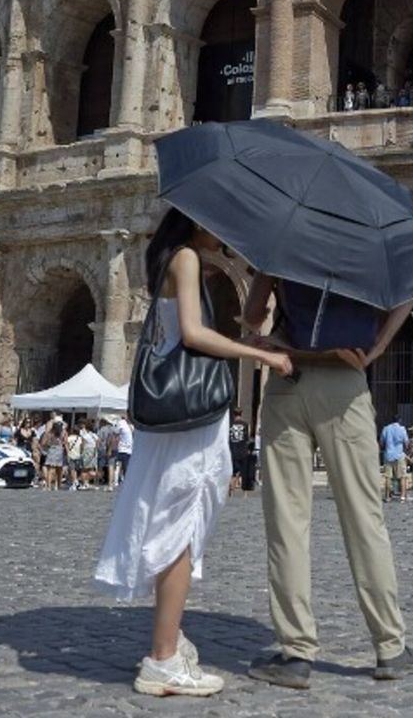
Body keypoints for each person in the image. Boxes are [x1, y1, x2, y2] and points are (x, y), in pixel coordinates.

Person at [94, 209, 295, 698]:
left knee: (173, 524)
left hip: (175, 413)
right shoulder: (185, 259)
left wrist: (243, 340)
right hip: (190, 422)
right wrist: (262, 355)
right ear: (200, 221)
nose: (226, 233)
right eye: (219, 223)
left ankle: (169, 640)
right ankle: (163, 659)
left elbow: (186, 338)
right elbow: (192, 334)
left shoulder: (170, 258)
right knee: (180, 529)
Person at [240, 260, 413, 690]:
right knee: (365, 520)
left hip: (288, 378)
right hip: (345, 382)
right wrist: (377, 348)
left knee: (287, 524)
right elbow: (410, 291)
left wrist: (269, 275)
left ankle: (296, 653)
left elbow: (252, 315)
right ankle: (390, 646)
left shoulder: (285, 241)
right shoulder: (367, 244)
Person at [379, 412, 409, 504]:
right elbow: (406, 443)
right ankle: (402, 496)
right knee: (402, 477)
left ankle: (387, 497)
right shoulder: (402, 429)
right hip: (399, 455)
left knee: (388, 477)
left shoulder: (386, 429)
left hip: (388, 455)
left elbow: (381, 442)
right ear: (400, 420)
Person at [229, 408, 249, 497]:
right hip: (243, 450)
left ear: (234, 414)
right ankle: (245, 494)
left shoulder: (230, 425)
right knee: (244, 473)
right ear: (241, 414)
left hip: (233, 451)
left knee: (233, 473)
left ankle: (231, 491)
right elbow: (247, 438)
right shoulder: (245, 424)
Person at [112, 413, 133, 489]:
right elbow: (115, 433)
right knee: (119, 466)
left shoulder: (131, 425)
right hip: (122, 449)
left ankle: (124, 480)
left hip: (129, 450)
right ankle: (115, 481)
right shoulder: (121, 423)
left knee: (126, 467)